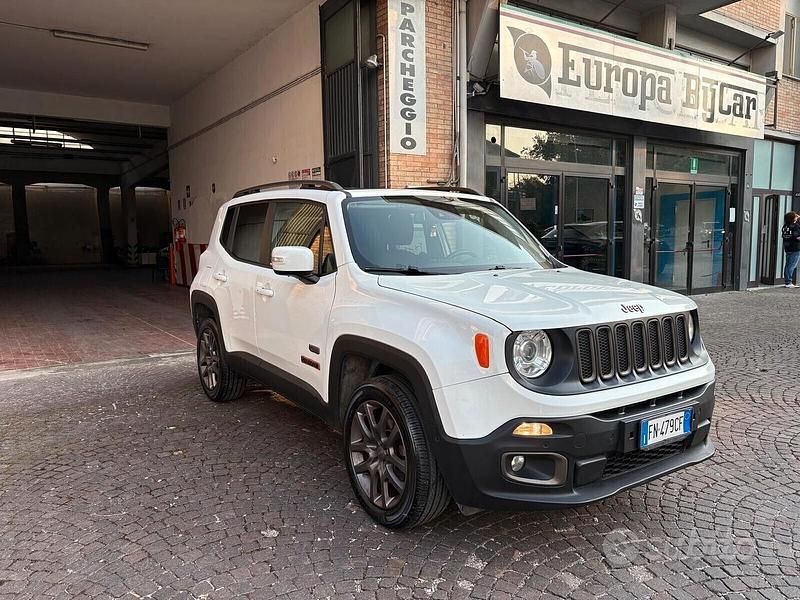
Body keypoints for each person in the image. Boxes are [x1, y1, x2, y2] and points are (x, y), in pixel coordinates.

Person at [782, 211, 800, 288]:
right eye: (795, 216)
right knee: (792, 265)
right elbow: (798, 237)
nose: (797, 217)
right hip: (795, 248)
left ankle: (787, 281)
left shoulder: (785, 226)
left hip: (787, 247)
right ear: (793, 218)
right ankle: (788, 282)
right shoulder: (795, 226)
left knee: (788, 265)